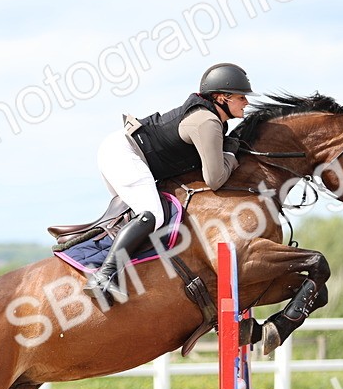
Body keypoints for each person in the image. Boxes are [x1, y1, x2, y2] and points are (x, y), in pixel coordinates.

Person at [84, 62, 255, 302]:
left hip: (121, 151)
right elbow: (215, 179)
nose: (246, 102)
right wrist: (230, 154)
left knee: (144, 219)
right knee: (152, 215)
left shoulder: (213, 119)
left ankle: (124, 273)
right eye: (241, 97)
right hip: (124, 154)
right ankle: (104, 275)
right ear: (221, 97)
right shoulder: (208, 121)